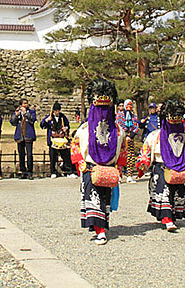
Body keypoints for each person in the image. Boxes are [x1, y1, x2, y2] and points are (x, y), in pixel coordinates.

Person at [70, 79, 127, 245]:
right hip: (90, 167)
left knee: (105, 199)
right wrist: (81, 162)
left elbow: (122, 150)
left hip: (108, 169)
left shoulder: (118, 130)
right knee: (94, 199)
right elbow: (74, 147)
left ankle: (102, 226)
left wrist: (120, 167)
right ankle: (99, 231)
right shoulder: (84, 129)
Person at [137, 99, 185, 231]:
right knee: (163, 193)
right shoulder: (155, 135)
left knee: (176, 193)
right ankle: (166, 218)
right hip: (161, 167)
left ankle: (173, 216)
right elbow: (146, 150)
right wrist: (144, 162)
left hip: (179, 167)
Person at [40, 101, 74, 178]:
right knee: (53, 157)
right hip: (53, 140)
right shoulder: (49, 117)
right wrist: (46, 120)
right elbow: (42, 125)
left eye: (58, 110)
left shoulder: (62, 117)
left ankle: (68, 171)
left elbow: (67, 125)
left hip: (62, 139)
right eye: (55, 111)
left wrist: (66, 128)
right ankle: (53, 171)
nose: (57, 112)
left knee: (66, 156)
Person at [11, 98, 37, 179]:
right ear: (21, 105)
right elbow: (12, 122)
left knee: (29, 155)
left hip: (28, 135)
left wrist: (26, 113)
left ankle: (30, 171)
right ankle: (23, 171)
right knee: (21, 155)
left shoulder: (31, 112)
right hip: (20, 136)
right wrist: (16, 115)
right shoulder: (18, 112)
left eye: (26, 103)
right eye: (24, 103)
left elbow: (33, 119)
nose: (26, 105)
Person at [115, 99, 139, 183]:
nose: (129, 107)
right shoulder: (120, 115)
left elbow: (136, 126)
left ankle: (129, 175)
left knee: (131, 156)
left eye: (130, 105)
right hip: (122, 138)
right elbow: (119, 124)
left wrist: (131, 134)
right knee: (120, 157)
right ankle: (119, 175)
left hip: (130, 138)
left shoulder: (134, 116)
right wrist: (125, 133)